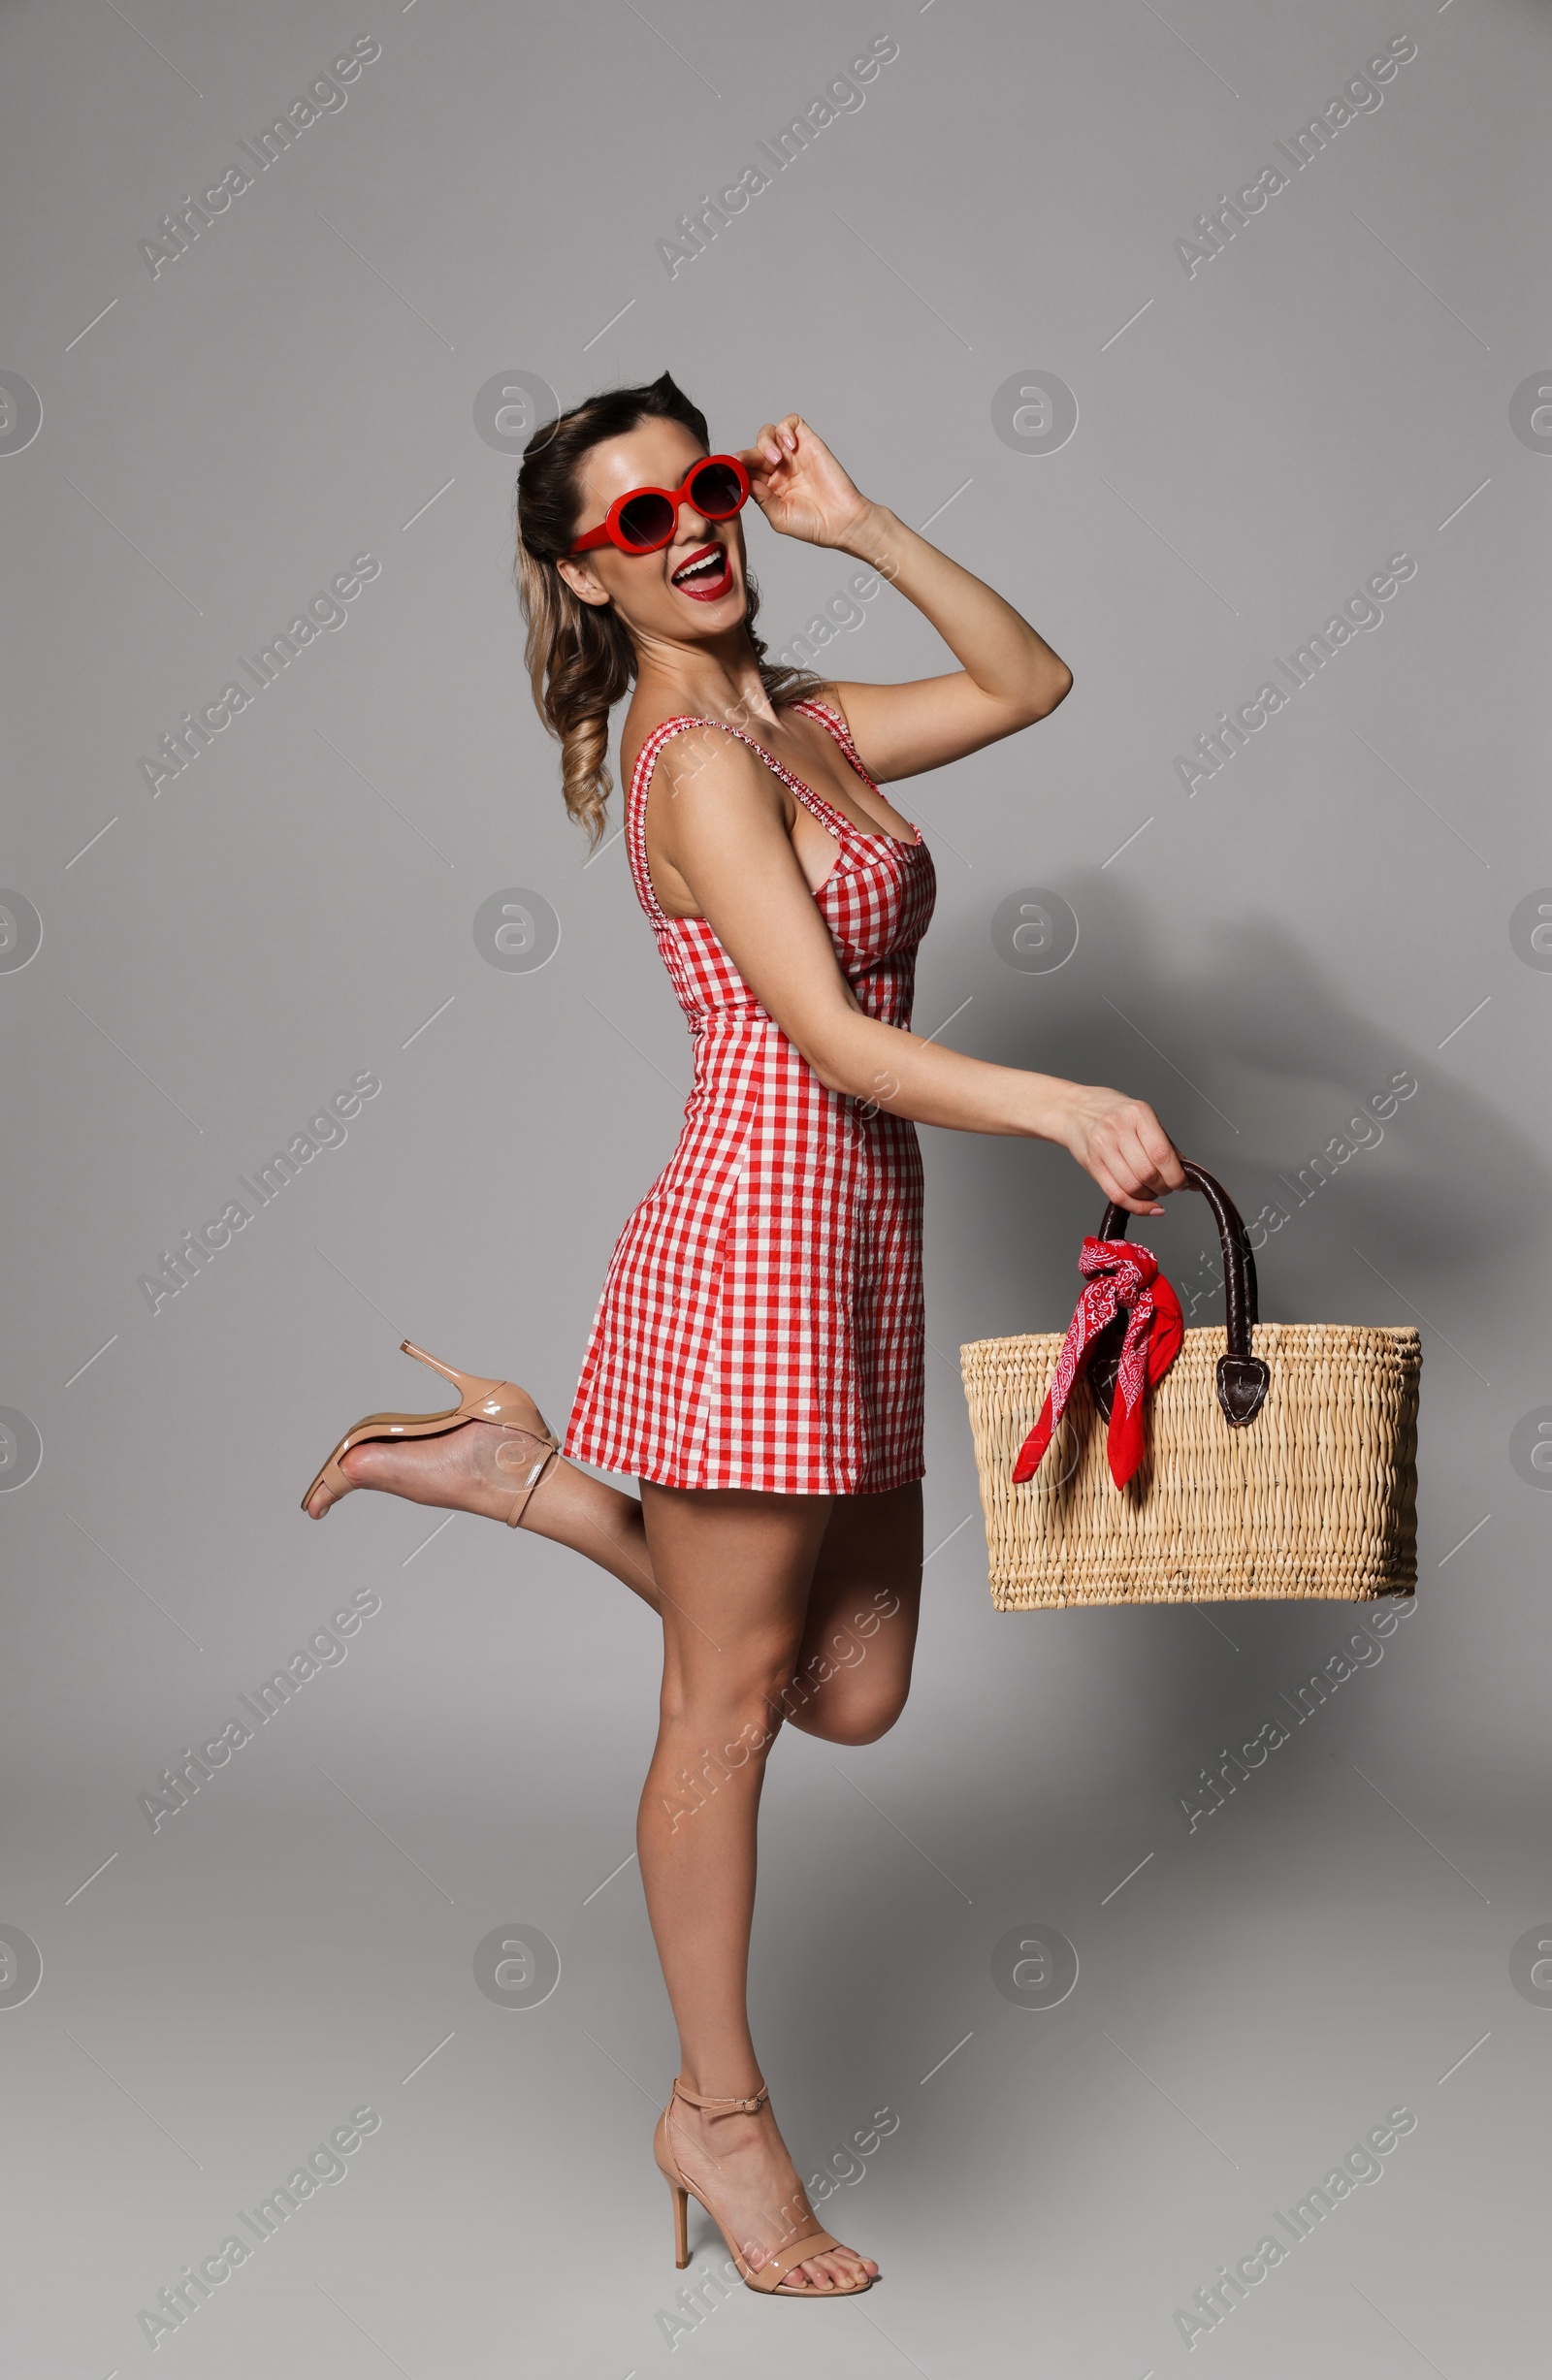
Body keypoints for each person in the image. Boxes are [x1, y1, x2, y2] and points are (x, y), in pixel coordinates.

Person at [301, 372, 1184, 2295]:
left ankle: (529, 1476)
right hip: (754, 1245)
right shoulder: (688, 768)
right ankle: (719, 2113)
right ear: (583, 574)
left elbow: (1028, 683)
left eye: (697, 487)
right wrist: (1060, 1106)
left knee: (842, 1689)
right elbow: (834, 1039)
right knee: (722, 1713)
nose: (688, 525)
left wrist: (857, 525)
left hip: (861, 1237)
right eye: (636, 518)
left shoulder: (795, 725)